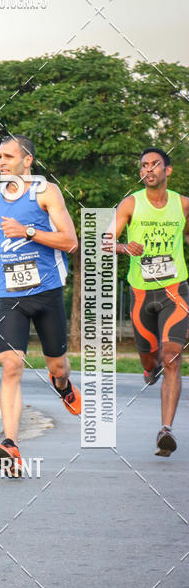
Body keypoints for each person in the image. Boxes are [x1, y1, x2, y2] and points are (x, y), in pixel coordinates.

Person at [0, 135, 80, 477]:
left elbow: (70, 241)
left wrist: (29, 231)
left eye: (8, 156)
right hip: (11, 294)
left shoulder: (46, 192)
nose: (1, 162)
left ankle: (62, 385)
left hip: (47, 291)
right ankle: (11, 444)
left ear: (27, 161)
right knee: (10, 366)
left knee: (58, 365)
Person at [113, 147, 189, 456]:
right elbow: (105, 240)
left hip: (174, 290)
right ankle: (148, 368)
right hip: (141, 293)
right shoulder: (131, 203)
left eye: (155, 164)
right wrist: (122, 247)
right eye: (144, 165)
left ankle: (165, 430)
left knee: (171, 356)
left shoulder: (183, 205)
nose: (149, 169)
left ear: (167, 171)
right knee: (150, 357)